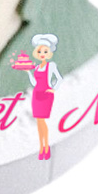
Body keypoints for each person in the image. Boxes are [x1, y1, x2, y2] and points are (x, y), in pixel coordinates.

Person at [26, 32, 63, 160]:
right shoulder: (37, 67)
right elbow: (35, 83)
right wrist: (28, 72)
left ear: (49, 53)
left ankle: (45, 147)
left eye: (45, 51)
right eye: (40, 51)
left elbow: (58, 78)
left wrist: (53, 89)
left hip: (46, 94)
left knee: (42, 120)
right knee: (39, 121)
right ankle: (43, 147)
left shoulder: (51, 66)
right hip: (37, 93)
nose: (42, 53)